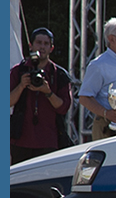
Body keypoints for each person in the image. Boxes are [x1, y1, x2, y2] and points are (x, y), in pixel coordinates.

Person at [9, 27, 74, 163]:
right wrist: (21, 86)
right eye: (39, 42)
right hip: (20, 139)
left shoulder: (59, 75)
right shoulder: (19, 70)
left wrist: (48, 92)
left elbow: (64, 108)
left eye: (46, 44)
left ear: (51, 48)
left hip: (48, 141)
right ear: (31, 46)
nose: (42, 47)